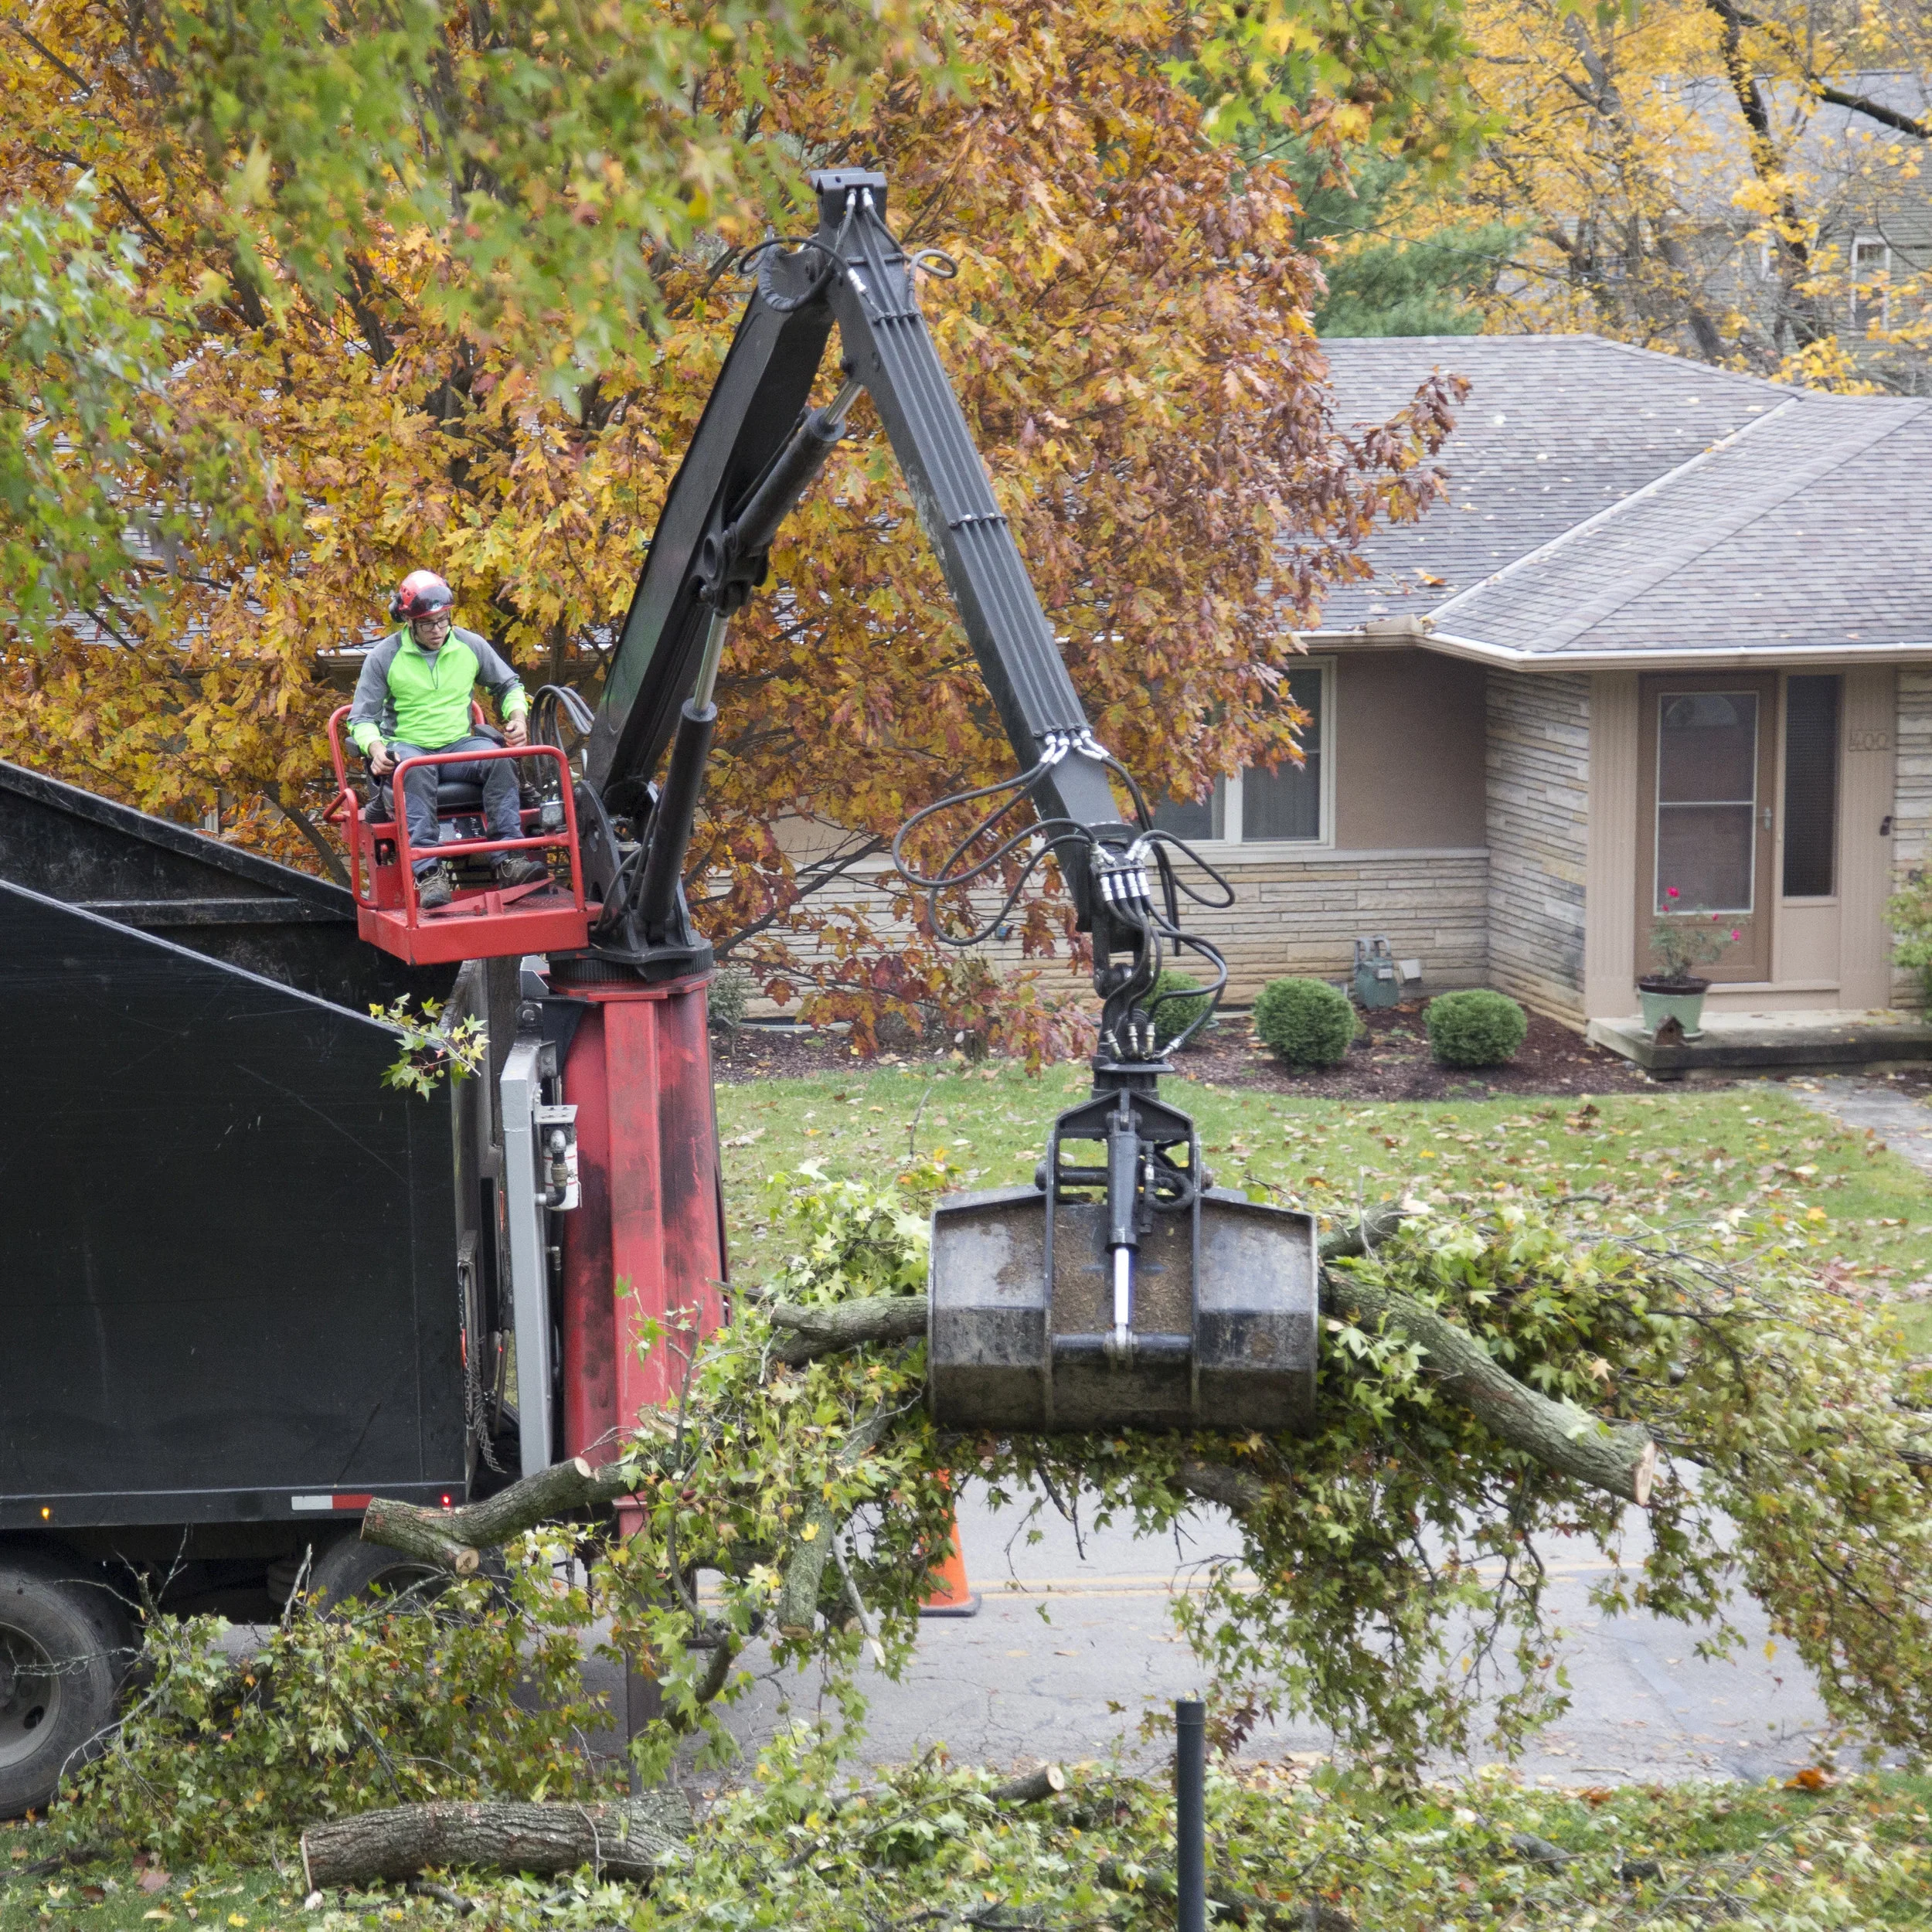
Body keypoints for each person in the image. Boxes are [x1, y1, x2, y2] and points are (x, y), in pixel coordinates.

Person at [346, 571, 548, 910]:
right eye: (428, 624)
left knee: (499, 759)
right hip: (408, 746)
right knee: (413, 768)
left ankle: (509, 860)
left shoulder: (470, 645)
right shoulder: (384, 656)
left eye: (443, 621)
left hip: (458, 745)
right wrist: (376, 749)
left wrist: (517, 717)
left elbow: (509, 685)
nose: (437, 630)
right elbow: (361, 719)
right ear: (409, 621)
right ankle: (429, 873)